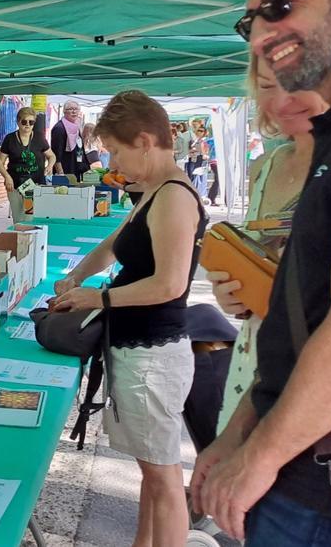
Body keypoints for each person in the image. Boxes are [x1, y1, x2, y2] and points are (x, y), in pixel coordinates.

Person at [193, 0, 331, 545]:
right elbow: (307, 321)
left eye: (280, 6)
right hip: (309, 475)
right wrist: (237, 436)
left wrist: (257, 458)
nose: (260, 34)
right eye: (249, 20)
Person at [51, 89, 206, 547]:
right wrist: (77, 275)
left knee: (162, 476)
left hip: (154, 354)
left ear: (144, 140)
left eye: (117, 151)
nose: (115, 162)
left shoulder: (174, 196)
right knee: (150, 469)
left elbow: (170, 285)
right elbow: (114, 244)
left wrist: (96, 298)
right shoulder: (153, 191)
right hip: (139, 351)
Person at [205, 54, 326, 440]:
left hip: (320, 371)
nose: (280, 99)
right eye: (267, 86)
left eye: (295, 82)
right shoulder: (265, 166)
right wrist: (231, 292)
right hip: (253, 358)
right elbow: (253, 256)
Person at [0, 106, 56, 224]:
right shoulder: (10, 139)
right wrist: (7, 177)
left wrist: (49, 166)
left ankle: (31, 240)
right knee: (18, 218)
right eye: (24, 122)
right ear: (18, 122)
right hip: (15, 183)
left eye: (31, 122)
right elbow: (0, 162)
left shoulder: (39, 138)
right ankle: (18, 239)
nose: (27, 125)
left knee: (31, 217)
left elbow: (51, 156)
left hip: (35, 183)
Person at [50, 99, 89, 179]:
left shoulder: (76, 126)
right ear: (64, 111)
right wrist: (61, 175)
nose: (74, 112)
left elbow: (79, 148)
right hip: (66, 172)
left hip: (76, 169)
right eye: (70, 109)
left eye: (76, 109)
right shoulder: (59, 128)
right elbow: (56, 154)